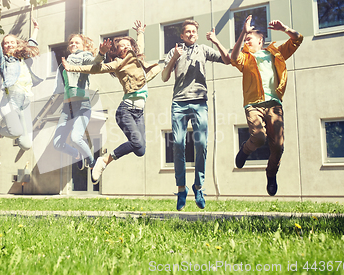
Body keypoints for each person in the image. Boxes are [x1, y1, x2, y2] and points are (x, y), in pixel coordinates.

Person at [62, 21, 161, 184]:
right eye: (121, 47)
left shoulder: (138, 59)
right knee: (137, 142)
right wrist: (72, 68)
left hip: (139, 112)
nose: (125, 48)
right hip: (126, 111)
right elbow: (94, 69)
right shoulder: (117, 64)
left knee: (140, 150)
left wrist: (140, 32)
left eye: (127, 45)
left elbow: (140, 46)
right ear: (117, 52)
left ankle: (105, 159)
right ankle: (104, 160)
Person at [228, 15, 303, 196]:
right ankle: (245, 150)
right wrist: (241, 34)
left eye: (249, 39)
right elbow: (233, 57)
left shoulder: (275, 52)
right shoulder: (245, 58)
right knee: (259, 138)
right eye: (245, 39)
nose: (246, 41)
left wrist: (284, 28)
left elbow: (298, 39)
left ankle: (271, 174)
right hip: (254, 105)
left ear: (261, 40)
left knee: (278, 145)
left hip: (274, 105)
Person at [162, 19, 230, 211]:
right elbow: (164, 76)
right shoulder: (174, 51)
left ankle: (198, 186)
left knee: (201, 144)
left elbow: (228, 60)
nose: (191, 34)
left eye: (194, 31)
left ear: (197, 34)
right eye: (187, 32)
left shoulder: (203, 49)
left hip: (200, 102)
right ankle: (181, 189)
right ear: (182, 36)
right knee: (178, 144)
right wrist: (175, 57)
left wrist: (215, 41)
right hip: (179, 103)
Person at [0, 0, 41, 151]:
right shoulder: (3, 62)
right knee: (15, 132)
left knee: (27, 145)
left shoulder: (24, 59)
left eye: (12, 42)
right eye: (6, 43)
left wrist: (36, 29)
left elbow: (32, 44)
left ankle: (4, 127)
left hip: (24, 103)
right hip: (9, 102)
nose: (9, 44)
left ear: (17, 44)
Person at [52, 34, 105, 170]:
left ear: (84, 46)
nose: (73, 44)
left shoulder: (84, 56)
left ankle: (92, 162)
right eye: (71, 42)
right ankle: (76, 154)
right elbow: (60, 87)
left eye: (77, 42)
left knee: (76, 138)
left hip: (82, 105)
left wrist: (101, 54)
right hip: (67, 108)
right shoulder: (64, 63)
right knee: (57, 143)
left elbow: (94, 63)